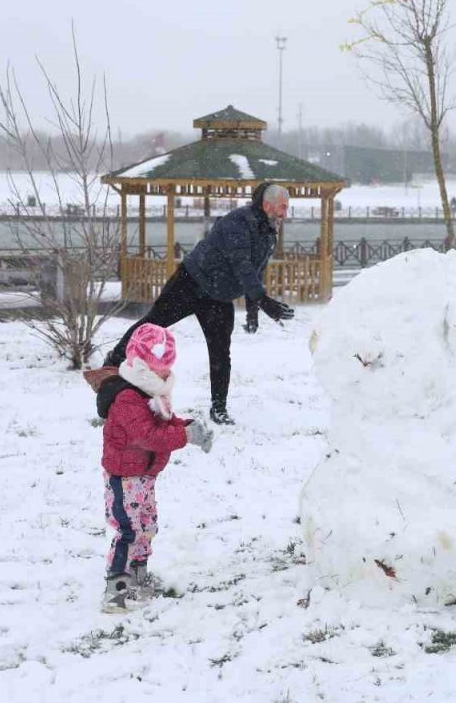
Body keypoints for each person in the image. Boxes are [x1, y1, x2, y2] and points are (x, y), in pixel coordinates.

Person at [92, 181, 296, 425]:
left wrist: (254, 310)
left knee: (221, 353)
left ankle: (218, 408)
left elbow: (256, 270)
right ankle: (113, 360)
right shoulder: (238, 222)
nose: (285, 213)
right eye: (282, 207)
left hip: (218, 298)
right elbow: (241, 263)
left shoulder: (269, 234)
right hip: (190, 283)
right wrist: (263, 300)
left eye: (287, 208)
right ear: (266, 205)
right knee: (152, 325)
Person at [98, 324, 214, 613]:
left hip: (144, 476)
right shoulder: (127, 398)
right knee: (129, 530)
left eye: (166, 369)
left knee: (146, 526)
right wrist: (184, 437)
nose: (164, 375)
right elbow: (149, 436)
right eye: (157, 369)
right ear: (140, 366)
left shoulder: (151, 391)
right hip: (125, 478)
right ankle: (117, 589)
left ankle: (138, 576)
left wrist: (188, 427)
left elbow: (165, 423)